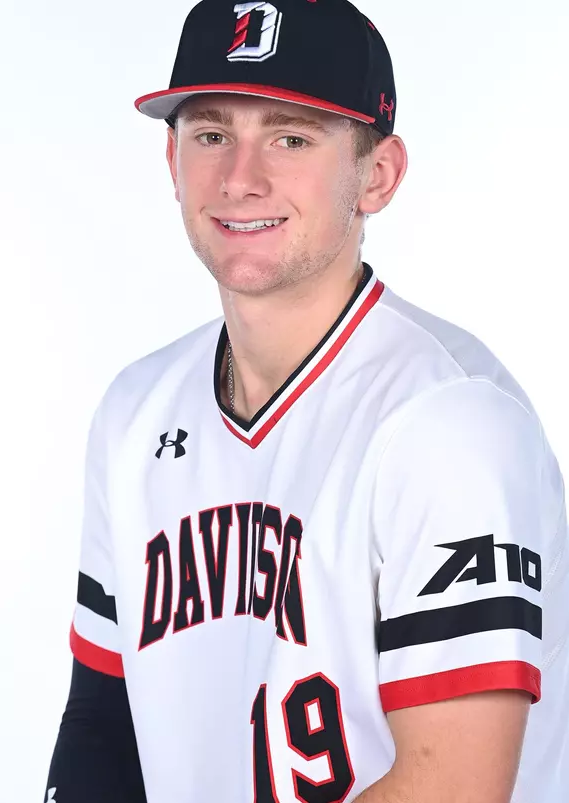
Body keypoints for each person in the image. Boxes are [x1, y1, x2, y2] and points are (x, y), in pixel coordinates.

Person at [45, 0, 569, 801]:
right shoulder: (134, 412)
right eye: (212, 134)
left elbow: (453, 786)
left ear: (377, 174)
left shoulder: (450, 420)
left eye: (290, 137)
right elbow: (100, 725)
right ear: (171, 159)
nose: (240, 178)